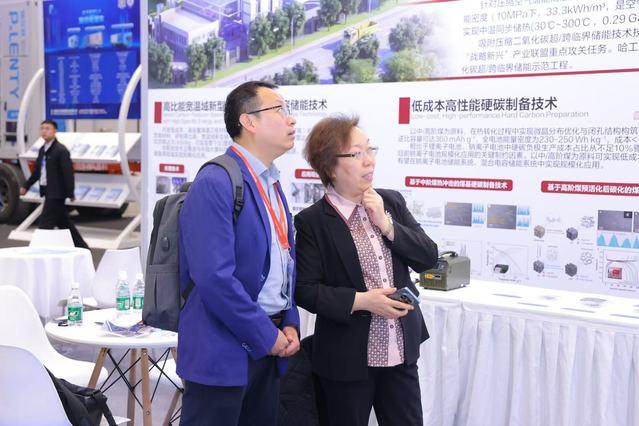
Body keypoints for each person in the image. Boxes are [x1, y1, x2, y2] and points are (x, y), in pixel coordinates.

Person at [294, 115, 438, 426]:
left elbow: (428, 257)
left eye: (370, 150)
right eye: (357, 153)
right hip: (346, 357)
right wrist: (362, 301)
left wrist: (386, 224)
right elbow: (305, 290)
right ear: (331, 167)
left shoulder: (390, 202)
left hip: (400, 348)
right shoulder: (312, 222)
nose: (369, 160)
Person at [178, 81, 301, 426]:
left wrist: (289, 321)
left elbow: (282, 262)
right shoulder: (216, 181)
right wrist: (265, 334)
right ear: (248, 122)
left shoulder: (270, 182)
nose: (291, 119)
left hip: (269, 345)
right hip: (223, 352)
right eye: (279, 109)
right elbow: (214, 278)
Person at [21, 119, 88, 249]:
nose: (44, 131)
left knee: (45, 223)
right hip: (47, 191)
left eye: (47, 128)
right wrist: (26, 185)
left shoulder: (61, 150)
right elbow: (37, 171)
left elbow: (68, 173)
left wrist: (70, 192)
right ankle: (83, 248)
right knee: (64, 223)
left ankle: (38, 250)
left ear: (54, 131)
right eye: (42, 128)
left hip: (57, 193)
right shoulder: (42, 150)